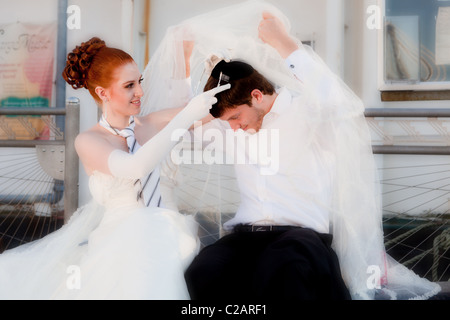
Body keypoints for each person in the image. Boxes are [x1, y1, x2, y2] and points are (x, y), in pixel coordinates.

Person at [140, 1, 441, 300]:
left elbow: (338, 102)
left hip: (301, 238)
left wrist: (284, 44)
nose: (232, 127)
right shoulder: (230, 127)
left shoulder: (307, 113)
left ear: (256, 96)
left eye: (235, 117)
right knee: (203, 271)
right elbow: (183, 129)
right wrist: (184, 62)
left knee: (283, 266)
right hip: (246, 236)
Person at [0, 37, 229, 300]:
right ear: (103, 93)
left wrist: (220, 76)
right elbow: (134, 168)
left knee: (158, 239)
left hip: (172, 229)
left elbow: (215, 110)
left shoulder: (153, 122)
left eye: (139, 82)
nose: (140, 92)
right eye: (129, 86)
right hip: (123, 235)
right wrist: (184, 117)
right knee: (143, 240)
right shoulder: (89, 141)